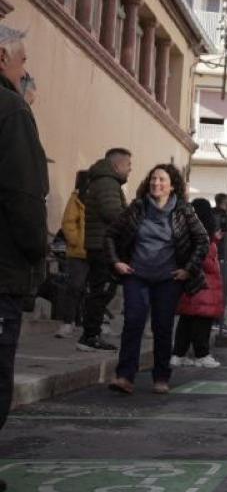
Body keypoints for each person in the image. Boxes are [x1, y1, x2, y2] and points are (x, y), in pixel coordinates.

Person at [104, 164, 209, 395]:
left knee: (162, 327)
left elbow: (202, 241)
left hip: (168, 279)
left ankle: (161, 377)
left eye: (162, 180)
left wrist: (188, 270)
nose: (156, 183)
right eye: (153, 179)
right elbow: (111, 234)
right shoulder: (137, 207)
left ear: (172, 186)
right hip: (136, 276)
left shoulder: (183, 210)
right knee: (133, 323)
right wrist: (116, 262)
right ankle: (124, 376)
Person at [1, 24, 48, 492]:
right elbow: (21, 195)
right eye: (22, 61)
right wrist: (36, 251)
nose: (25, 70)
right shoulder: (12, 109)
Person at [78, 147, 132, 352]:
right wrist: (132, 217)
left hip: (98, 244)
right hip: (103, 246)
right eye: (128, 165)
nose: (130, 169)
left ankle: (91, 333)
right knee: (101, 292)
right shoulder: (108, 183)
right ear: (117, 165)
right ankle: (90, 335)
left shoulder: (101, 181)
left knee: (101, 291)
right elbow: (112, 213)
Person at [173, 199, 224, 369]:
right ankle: (202, 354)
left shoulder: (184, 231)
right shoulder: (203, 236)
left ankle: (178, 354)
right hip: (204, 286)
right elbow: (207, 262)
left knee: (186, 320)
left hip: (189, 285)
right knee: (202, 322)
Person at [54, 170, 90, 338]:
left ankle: (85, 323)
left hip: (96, 251)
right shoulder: (76, 198)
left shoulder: (101, 197)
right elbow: (68, 222)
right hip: (78, 252)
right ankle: (68, 322)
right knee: (74, 287)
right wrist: (76, 241)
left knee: (90, 290)